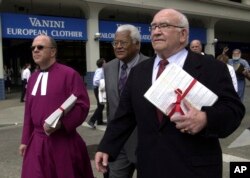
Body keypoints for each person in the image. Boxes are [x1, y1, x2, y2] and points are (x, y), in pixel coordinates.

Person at [95, 9, 245, 178]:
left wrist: (206, 119)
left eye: (164, 26)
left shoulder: (211, 68)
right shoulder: (139, 72)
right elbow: (124, 116)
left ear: (183, 34)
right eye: (153, 27)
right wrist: (107, 146)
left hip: (195, 169)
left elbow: (234, 110)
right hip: (150, 167)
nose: (156, 31)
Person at [19, 34, 94, 178]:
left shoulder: (69, 74)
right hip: (36, 142)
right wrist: (25, 140)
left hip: (62, 141)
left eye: (40, 47)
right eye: (33, 48)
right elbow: (28, 112)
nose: (35, 50)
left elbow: (82, 105)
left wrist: (61, 124)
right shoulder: (33, 78)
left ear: (53, 51)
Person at [102, 24, 148, 178]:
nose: (119, 46)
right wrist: (109, 141)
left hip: (146, 142)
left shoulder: (152, 67)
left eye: (124, 42)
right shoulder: (108, 67)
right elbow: (111, 107)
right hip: (119, 143)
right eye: (116, 43)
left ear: (137, 44)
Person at [87, 58, 106, 128]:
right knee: (101, 106)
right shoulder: (100, 71)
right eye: (105, 62)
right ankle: (91, 121)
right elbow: (96, 81)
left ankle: (99, 121)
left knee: (100, 105)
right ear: (103, 64)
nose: (106, 63)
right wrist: (103, 83)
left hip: (97, 89)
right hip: (98, 89)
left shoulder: (100, 70)